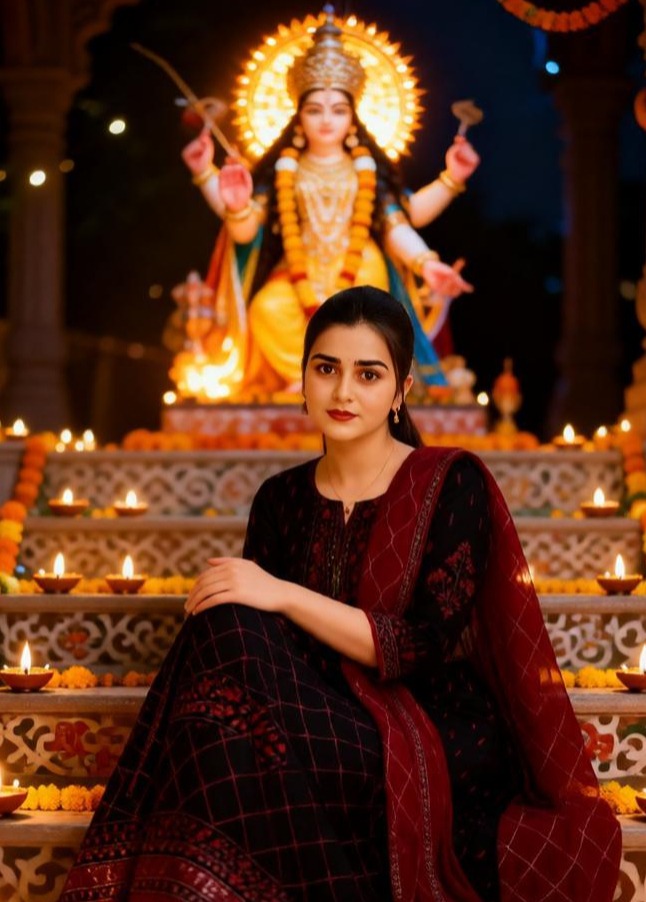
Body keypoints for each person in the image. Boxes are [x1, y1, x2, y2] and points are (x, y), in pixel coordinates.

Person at [61, 285, 620, 902]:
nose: (344, 392)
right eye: (325, 369)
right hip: (306, 714)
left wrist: (282, 594)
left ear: (402, 389)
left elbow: (420, 647)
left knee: (239, 646)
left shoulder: (448, 484)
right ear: (301, 380)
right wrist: (249, 602)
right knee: (221, 629)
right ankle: (196, 884)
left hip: (425, 722)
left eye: (368, 373)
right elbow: (262, 651)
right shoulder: (280, 498)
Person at [178, 8, 480, 396]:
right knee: (267, 310)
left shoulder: (365, 170)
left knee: (371, 314)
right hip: (297, 271)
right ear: (298, 117)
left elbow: (403, 221)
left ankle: (357, 386)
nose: (326, 120)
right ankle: (305, 382)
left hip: (359, 268)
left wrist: (431, 250)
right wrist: (220, 187)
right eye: (314, 110)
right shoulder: (283, 170)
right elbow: (244, 228)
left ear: (353, 119)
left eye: (338, 111)